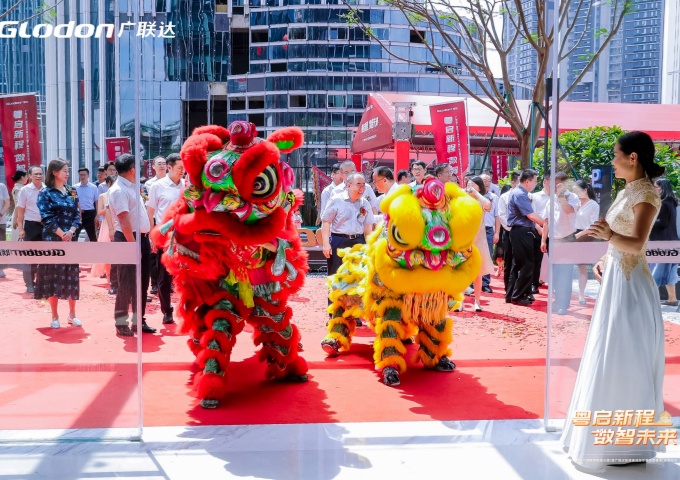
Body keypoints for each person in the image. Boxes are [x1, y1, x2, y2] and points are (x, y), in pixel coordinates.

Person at [561, 131, 667, 469]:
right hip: (615, 279)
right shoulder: (627, 191)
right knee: (609, 353)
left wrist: (609, 237)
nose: (612, 160)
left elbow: (636, 243)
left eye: (616, 154)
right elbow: (614, 238)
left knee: (625, 358)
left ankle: (628, 444)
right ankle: (607, 440)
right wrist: (604, 256)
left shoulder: (647, 194)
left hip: (632, 285)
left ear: (633, 158)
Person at [108, 153, 155, 337]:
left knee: (142, 282)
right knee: (126, 282)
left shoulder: (132, 187)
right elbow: (124, 220)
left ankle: (138, 320)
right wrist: (133, 245)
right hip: (128, 239)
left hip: (140, 238)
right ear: (132, 169)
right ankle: (121, 323)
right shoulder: (119, 190)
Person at [321, 173, 375, 326]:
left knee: (357, 279)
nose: (362, 188)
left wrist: (369, 247)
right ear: (348, 185)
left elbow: (368, 227)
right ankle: (334, 313)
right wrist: (326, 244)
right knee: (336, 277)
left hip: (358, 242)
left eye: (363, 184)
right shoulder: (336, 199)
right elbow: (326, 222)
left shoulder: (365, 203)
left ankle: (354, 314)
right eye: (358, 184)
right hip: (339, 240)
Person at [34, 159, 83, 328]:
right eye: (64, 170)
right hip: (52, 240)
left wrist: (71, 231)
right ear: (54, 172)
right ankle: (54, 315)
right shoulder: (45, 193)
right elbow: (46, 217)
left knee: (71, 276)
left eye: (68, 170)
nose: (68, 173)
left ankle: (72, 314)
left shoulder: (72, 191)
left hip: (71, 239)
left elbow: (77, 214)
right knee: (52, 276)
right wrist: (61, 233)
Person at [146, 153, 185, 325]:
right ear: (169, 167)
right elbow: (150, 212)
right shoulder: (157, 186)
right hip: (165, 236)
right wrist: (151, 235)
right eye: (179, 168)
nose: (182, 171)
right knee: (164, 277)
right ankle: (167, 311)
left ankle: (186, 311)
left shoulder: (186, 185)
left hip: (185, 235)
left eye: (184, 168)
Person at [538, 172, 580, 315]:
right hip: (553, 240)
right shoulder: (551, 199)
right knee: (555, 273)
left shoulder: (572, 197)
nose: (553, 186)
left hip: (567, 239)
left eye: (557, 183)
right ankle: (557, 301)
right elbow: (546, 221)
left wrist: (561, 195)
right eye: (552, 183)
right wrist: (543, 240)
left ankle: (563, 304)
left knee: (565, 273)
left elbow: (568, 210)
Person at [505, 169, 545, 305]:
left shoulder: (520, 193)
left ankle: (512, 295)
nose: (535, 184)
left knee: (518, 265)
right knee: (526, 264)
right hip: (521, 232)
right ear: (527, 181)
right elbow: (531, 215)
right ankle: (518, 296)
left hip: (520, 231)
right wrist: (545, 223)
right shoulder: (520, 194)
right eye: (534, 181)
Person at [456, 176, 493, 312]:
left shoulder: (480, 200)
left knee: (478, 273)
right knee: (461, 272)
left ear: (479, 186)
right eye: (468, 184)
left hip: (479, 240)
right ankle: (461, 302)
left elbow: (488, 205)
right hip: (463, 241)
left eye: (473, 184)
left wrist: (476, 193)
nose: (470, 186)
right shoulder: (462, 200)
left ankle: (477, 302)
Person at [648, 178, 679, 306]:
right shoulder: (672, 203)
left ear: (662, 188)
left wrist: (647, 221)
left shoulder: (663, 204)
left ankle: (650, 300)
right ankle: (672, 299)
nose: (654, 189)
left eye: (656, 187)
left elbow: (662, 222)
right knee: (670, 272)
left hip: (661, 243)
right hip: (672, 241)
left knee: (656, 272)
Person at [15, 166, 45, 293]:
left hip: (45, 226)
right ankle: (29, 283)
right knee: (30, 256)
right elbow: (20, 212)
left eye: (40, 174)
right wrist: (21, 229)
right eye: (36, 174)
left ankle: (42, 283)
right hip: (31, 226)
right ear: (30, 176)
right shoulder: (25, 190)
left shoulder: (47, 189)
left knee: (45, 256)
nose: (38, 176)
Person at [572, 180, 600, 305]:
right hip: (571, 235)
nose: (576, 194)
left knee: (582, 266)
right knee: (568, 265)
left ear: (585, 190)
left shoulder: (593, 205)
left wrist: (580, 234)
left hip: (585, 236)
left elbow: (593, 224)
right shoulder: (574, 203)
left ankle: (581, 295)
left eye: (578, 191)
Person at [91, 175, 116, 282]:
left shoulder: (119, 194)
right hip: (107, 225)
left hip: (118, 223)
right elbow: (99, 211)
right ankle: (109, 277)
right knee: (107, 252)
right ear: (108, 184)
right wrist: (109, 209)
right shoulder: (103, 196)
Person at [498, 172, 520, 287]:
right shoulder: (504, 197)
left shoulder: (529, 196)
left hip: (524, 233)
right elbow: (501, 215)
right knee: (509, 261)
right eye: (519, 182)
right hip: (509, 232)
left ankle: (522, 289)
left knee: (522, 262)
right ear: (513, 183)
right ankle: (509, 288)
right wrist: (513, 228)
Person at [480, 173, 500, 293]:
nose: (486, 183)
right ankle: (473, 282)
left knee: (487, 256)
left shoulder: (494, 197)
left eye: (488, 181)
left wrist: (497, 233)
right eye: (484, 180)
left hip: (488, 230)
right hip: (476, 230)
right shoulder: (474, 196)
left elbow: (497, 216)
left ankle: (485, 282)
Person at [74, 168, 99, 242]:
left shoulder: (93, 187)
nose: (83, 177)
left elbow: (96, 201)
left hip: (90, 214)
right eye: (81, 175)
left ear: (88, 175)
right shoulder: (74, 187)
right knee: (75, 235)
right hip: (78, 213)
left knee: (92, 236)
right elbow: (73, 201)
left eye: (84, 175)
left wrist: (97, 215)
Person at [10, 169, 28, 242]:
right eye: (26, 176)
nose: (27, 178)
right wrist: (16, 219)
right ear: (22, 177)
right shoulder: (18, 189)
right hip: (19, 214)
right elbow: (18, 205)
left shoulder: (21, 188)